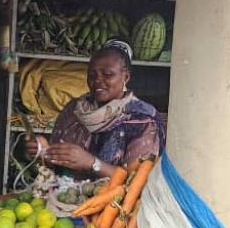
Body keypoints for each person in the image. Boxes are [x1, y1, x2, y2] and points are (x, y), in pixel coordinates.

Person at [27, 40, 166, 177]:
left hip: (113, 199)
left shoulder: (143, 120)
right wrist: (44, 152)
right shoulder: (73, 110)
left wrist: (92, 163)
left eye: (108, 74)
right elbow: (56, 166)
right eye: (92, 75)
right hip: (64, 197)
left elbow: (138, 181)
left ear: (126, 77)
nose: (98, 80)